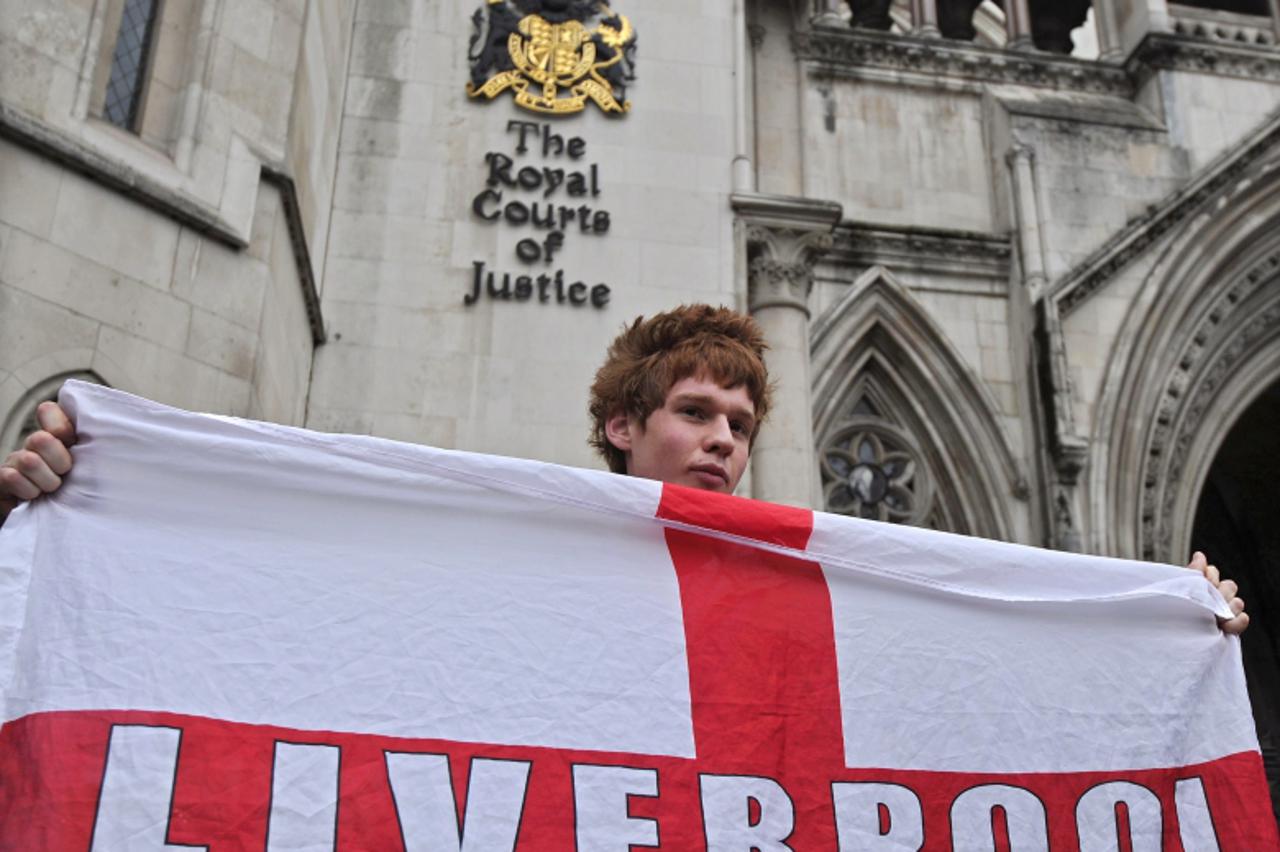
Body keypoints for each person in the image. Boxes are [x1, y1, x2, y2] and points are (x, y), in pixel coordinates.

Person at [0, 304, 1250, 634]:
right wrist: (84, 508)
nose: (720, 437)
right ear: (620, 426)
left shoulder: (799, 568)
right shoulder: (525, 541)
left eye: (739, 421)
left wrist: (1152, 610)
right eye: (695, 411)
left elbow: (975, 623)